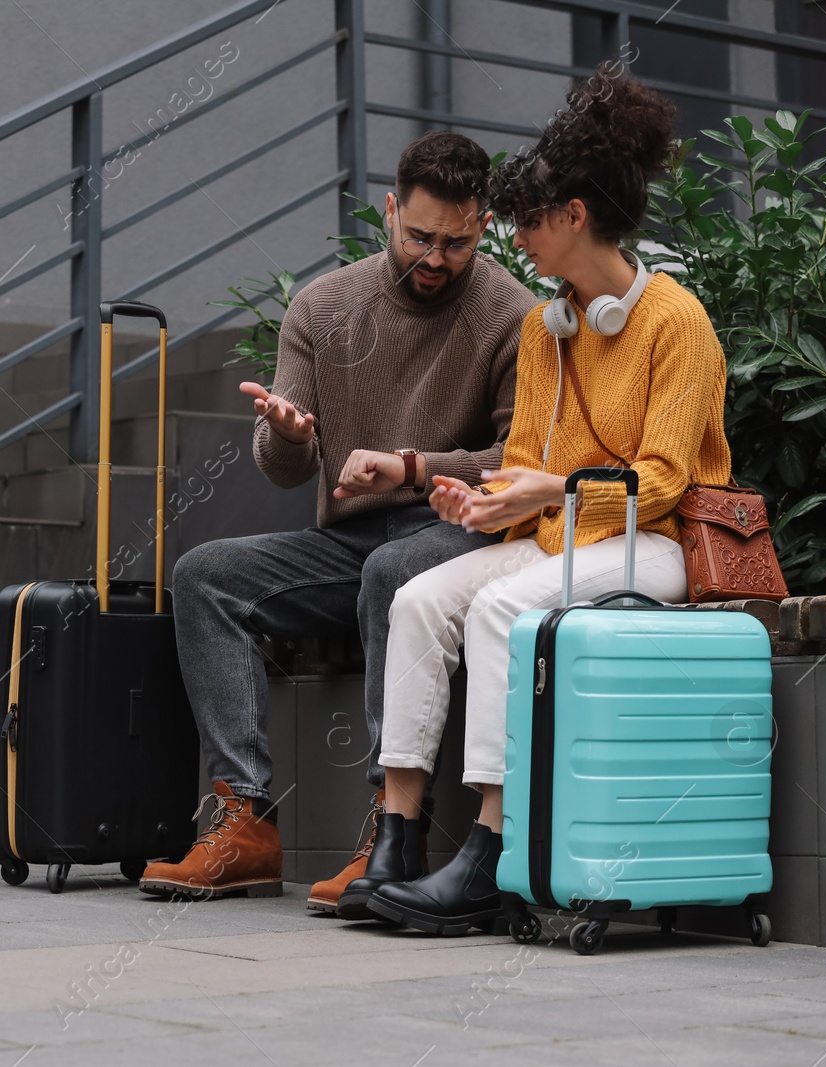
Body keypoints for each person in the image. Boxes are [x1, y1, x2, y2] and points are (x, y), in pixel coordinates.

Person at [334, 63, 733, 934]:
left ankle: (491, 851)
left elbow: (663, 481)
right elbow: (522, 465)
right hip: (567, 539)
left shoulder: (676, 322)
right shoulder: (545, 327)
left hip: (652, 542)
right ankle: (397, 837)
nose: (516, 239)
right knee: (417, 597)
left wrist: (555, 490)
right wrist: (486, 507)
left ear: (574, 217)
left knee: (505, 609)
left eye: (527, 222)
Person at [139, 132, 537, 911]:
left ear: (482, 228)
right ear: (390, 211)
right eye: (419, 235)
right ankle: (246, 820)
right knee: (204, 578)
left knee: (395, 573)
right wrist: (288, 435)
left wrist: (414, 464)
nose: (435, 255)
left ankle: (394, 826)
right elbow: (284, 464)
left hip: (455, 529)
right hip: (348, 540)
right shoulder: (322, 307)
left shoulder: (511, 313)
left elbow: (515, 458)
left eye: (456, 242)